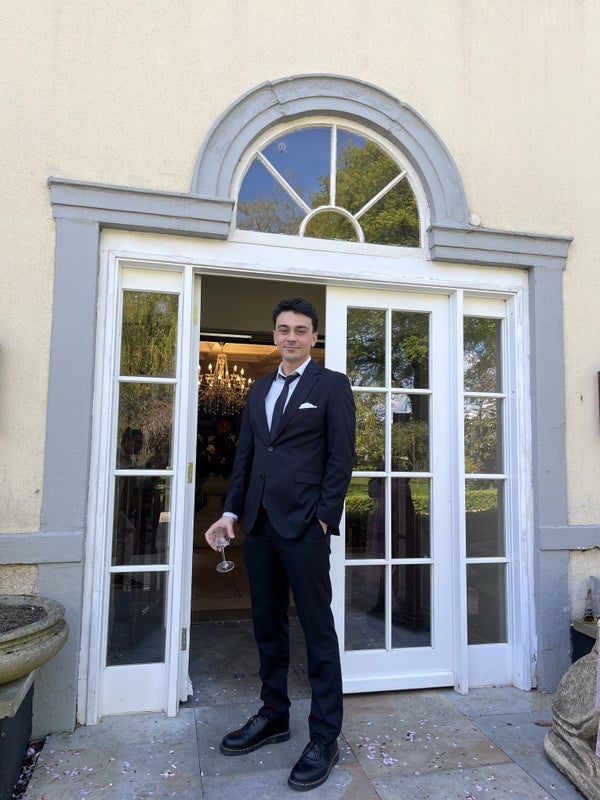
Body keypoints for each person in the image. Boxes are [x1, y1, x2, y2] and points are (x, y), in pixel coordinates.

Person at [205, 297, 356, 791]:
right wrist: (230, 513)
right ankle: (273, 715)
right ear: (274, 335)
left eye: (301, 330)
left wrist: (324, 520)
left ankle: (324, 737)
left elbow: (341, 458)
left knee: (317, 631)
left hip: (305, 528)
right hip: (260, 526)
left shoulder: (331, 386)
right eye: (284, 329)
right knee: (267, 625)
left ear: (314, 337)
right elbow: (247, 457)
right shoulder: (259, 388)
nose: (291, 337)